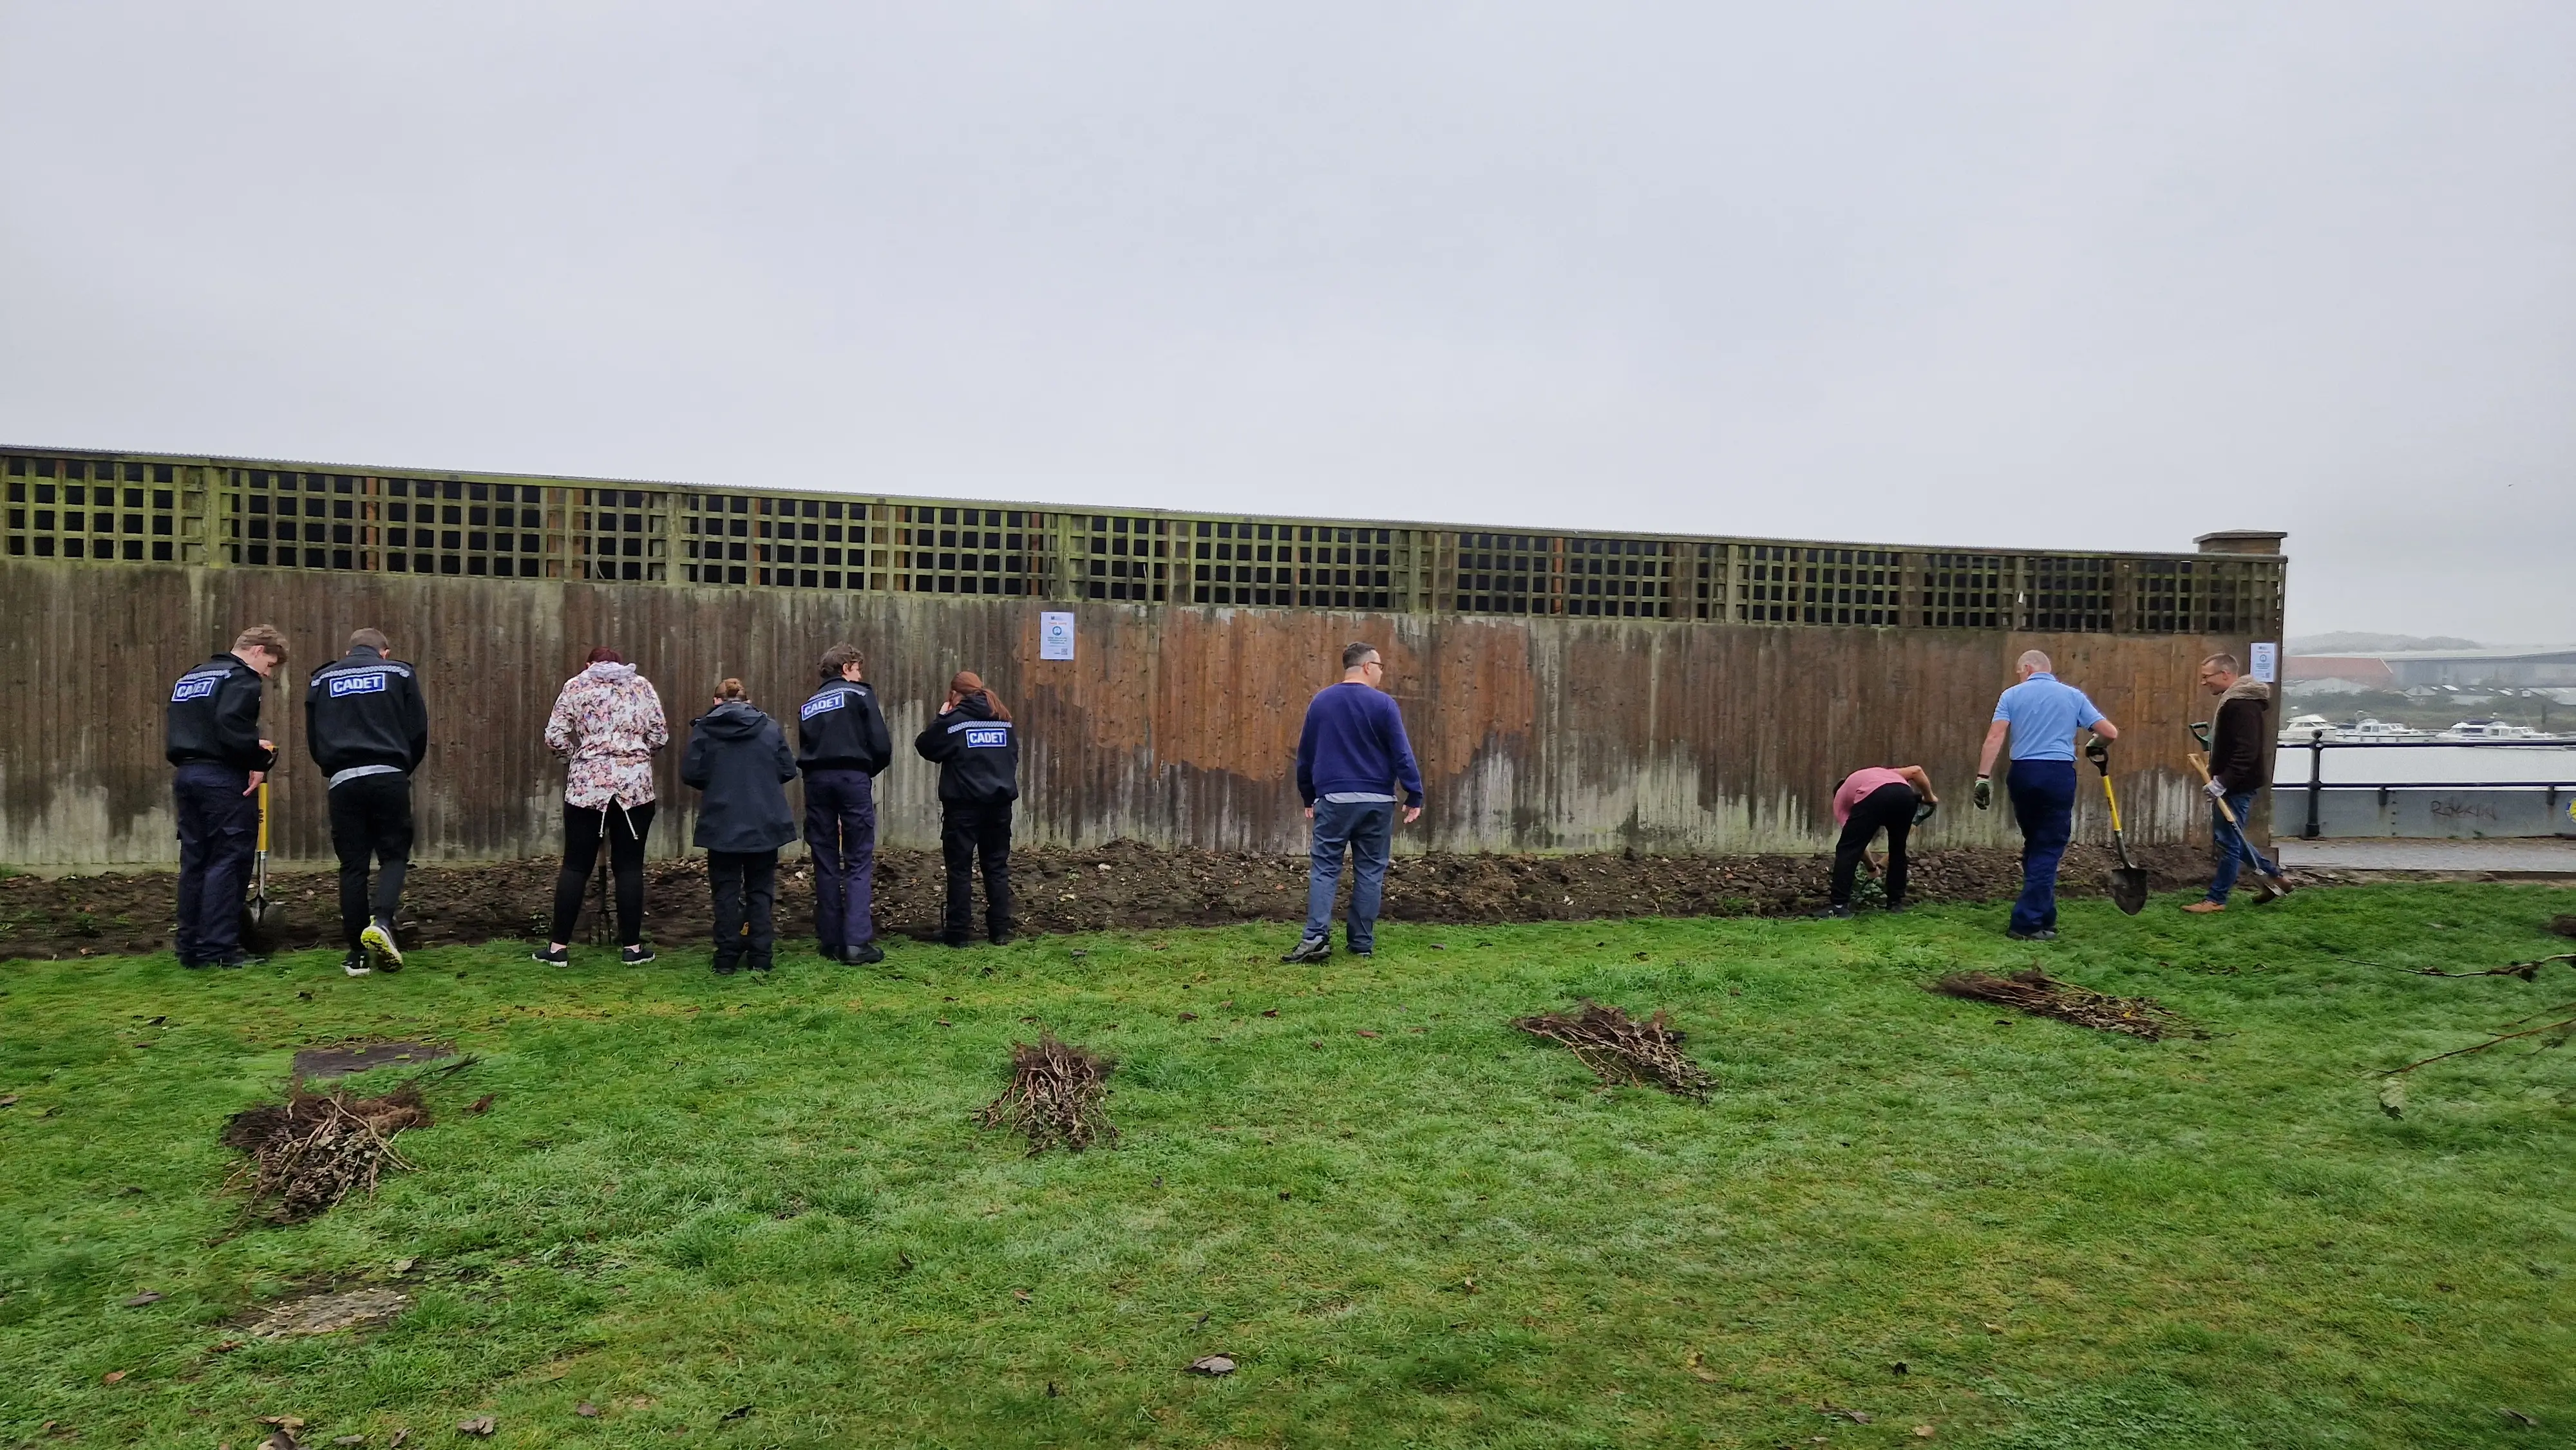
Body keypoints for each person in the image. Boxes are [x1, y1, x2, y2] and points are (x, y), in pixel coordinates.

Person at [1282, 643, 1425, 963]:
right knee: (1371, 871)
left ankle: (1315, 938)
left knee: (1325, 868)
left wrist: (1309, 794)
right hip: (1377, 801)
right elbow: (1401, 753)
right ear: (1366, 667)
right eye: (1380, 665)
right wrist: (1413, 793)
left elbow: (1305, 754)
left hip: (1334, 799)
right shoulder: (1384, 705)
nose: (1382, 671)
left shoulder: (1322, 702)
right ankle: (1361, 944)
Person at [305, 628, 430, 976]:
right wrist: (403, 766)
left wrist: (331, 767)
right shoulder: (400, 673)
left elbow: (314, 735)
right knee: (393, 855)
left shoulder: (321, 679)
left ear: (349, 651)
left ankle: (356, 954)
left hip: (343, 780)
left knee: (352, 866)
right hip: (389, 774)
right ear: (384, 652)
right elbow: (418, 728)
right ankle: (384, 922)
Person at [536, 646, 669, 965]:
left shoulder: (576, 686)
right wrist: (633, 755)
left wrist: (575, 757)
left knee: (575, 865)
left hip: (587, 788)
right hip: (635, 788)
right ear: (621, 665)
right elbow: (660, 736)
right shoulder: (642, 686)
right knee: (629, 866)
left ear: (589, 664)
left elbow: (555, 737)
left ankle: (557, 949)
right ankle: (633, 950)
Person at [1974, 649, 2118, 941]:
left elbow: (1995, 737)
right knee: (2048, 847)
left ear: (2027, 668)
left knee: (2037, 845)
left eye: (2019, 672)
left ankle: (2045, 917)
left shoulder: (2011, 695)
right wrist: (2093, 745)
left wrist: (1983, 778)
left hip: (2023, 774)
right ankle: (2025, 923)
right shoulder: (2072, 696)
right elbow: (2109, 733)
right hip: (2057, 774)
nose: (2020, 677)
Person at [166, 625, 287, 969]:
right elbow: (230, 723)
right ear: (258, 650)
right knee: (228, 861)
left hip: (187, 775)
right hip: (222, 780)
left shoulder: (192, 677)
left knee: (195, 863)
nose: (268, 674)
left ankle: (189, 947)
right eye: (270, 665)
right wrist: (257, 757)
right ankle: (218, 950)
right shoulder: (242, 678)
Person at [683, 679, 800, 974]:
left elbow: (691, 773)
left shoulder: (705, 729)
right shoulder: (770, 727)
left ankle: (726, 958)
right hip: (764, 820)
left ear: (716, 701)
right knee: (760, 890)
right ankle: (761, 957)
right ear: (748, 701)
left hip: (722, 820)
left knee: (725, 890)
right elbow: (788, 769)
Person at [798, 644, 894, 965]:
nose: (861, 674)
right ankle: (856, 943)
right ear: (847, 668)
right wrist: (865, 770)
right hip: (851, 778)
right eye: (858, 668)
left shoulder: (808, 705)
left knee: (824, 858)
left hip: (815, 782)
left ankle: (829, 939)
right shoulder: (860, 695)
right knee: (857, 858)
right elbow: (881, 745)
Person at [913, 670, 1018, 946]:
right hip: (999, 806)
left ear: (954, 694)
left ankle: (958, 934)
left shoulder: (955, 723)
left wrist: (942, 717)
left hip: (963, 808)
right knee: (996, 867)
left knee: (959, 869)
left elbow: (925, 746)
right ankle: (1000, 931)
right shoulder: (1003, 720)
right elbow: (1013, 757)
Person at [2183, 652, 2288, 913]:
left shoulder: (2242, 705)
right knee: (2229, 838)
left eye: (2207, 677)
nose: (2204, 682)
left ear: (2226, 675)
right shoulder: (2235, 702)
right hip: (2234, 782)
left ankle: (2217, 899)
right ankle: (2274, 877)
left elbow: (2247, 751)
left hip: (2237, 785)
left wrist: (2223, 781)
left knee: (2229, 841)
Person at [1817, 765, 1937, 917]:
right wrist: (1929, 797)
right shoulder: (1886, 773)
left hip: (1874, 796)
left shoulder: (1840, 798)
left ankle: (1839, 906)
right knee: (1898, 849)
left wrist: (1871, 868)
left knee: (1847, 849)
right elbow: (1917, 771)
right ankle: (1895, 904)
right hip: (1905, 796)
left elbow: (1855, 846)